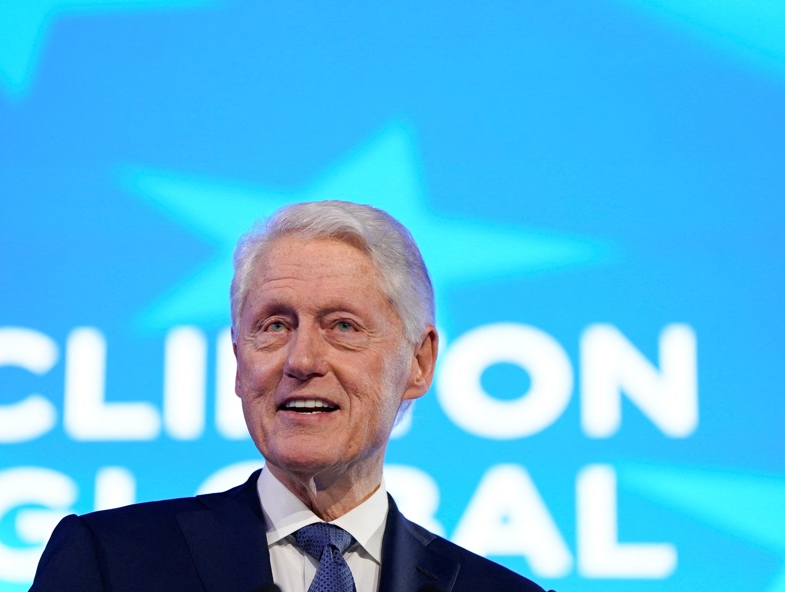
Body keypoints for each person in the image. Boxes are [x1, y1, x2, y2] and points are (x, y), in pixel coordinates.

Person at [29, 200, 548, 592]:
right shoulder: (109, 563)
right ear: (238, 359)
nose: (301, 360)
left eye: (343, 326)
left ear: (418, 362)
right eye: (274, 326)